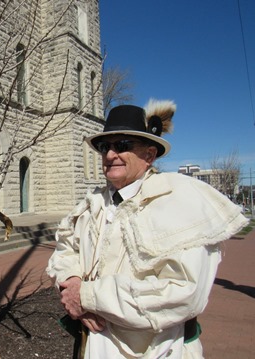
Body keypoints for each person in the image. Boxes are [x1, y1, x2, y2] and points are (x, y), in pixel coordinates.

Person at [47, 99, 248, 359]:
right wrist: (72, 285)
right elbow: (66, 251)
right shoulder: (91, 204)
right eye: (104, 146)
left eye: (122, 146)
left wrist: (88, 297)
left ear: (149, 155)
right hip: (90, 347)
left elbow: (182, 293)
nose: (109, 155)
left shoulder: (180, 202)